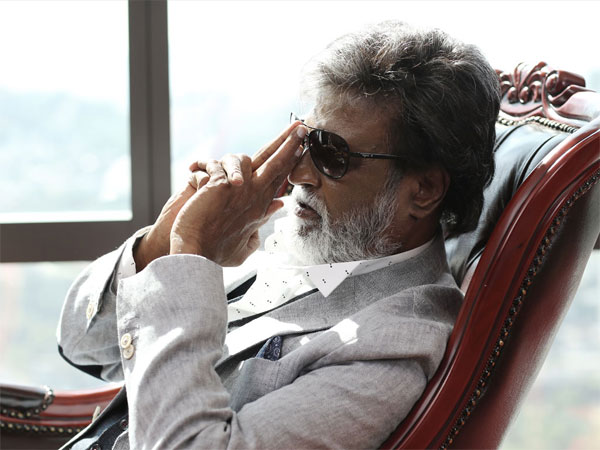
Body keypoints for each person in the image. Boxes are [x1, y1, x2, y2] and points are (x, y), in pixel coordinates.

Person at [58, 21, 500, 449]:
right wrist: (162, 242)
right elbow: (82, 344)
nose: (298, 174)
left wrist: (190, 254)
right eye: (305, 141)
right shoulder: (294, 238)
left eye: (332, 153)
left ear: (424, 190)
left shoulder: (394, 344)